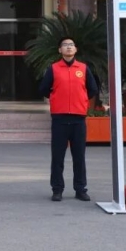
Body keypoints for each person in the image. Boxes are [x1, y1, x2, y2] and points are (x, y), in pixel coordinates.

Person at [38, 37, 98, 202]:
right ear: (60, 50)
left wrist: (81, 99)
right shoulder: (54, 68)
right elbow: (43, 89)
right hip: (60, 119)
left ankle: (80, 189)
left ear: (76, 49)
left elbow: (92, 89)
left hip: (78, 119)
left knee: (79, 157)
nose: (68, 47)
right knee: (58, 157)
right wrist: (56, 97)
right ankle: (57, 189)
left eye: (71, 45)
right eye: (65, 45)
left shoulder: (83, 68)